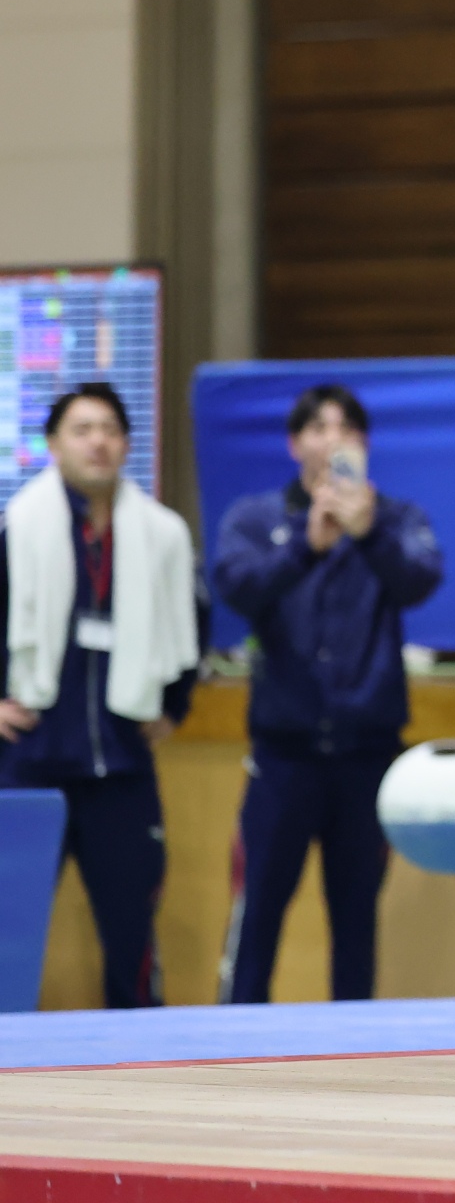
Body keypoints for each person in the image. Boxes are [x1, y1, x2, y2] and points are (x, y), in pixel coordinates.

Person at [212, 383, 442, 1003]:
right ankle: (237, 1038)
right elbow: (235, 585)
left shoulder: (394, 518)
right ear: (295, 444)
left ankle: (355, 1049)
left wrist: (367, 534)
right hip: (283, 757)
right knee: (258, 914)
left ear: (364, 443)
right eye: (318, 427)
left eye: (346, 428)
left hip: (367, 757)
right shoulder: (257, 518)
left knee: (356, 923)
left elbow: (421, 578)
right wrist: (304, 547)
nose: (332, 439)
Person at [1, 382, 204, 1008]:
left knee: (132, 936)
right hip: (30, 762)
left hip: (121, 767)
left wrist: (174, 707)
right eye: (82, 430)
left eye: (111, 430)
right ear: (53, 444)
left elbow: (193, 625)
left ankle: (138, 1055)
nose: (98, 442)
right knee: (9, 930)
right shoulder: (16, 528)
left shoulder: (161, 535)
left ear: (126, 446)